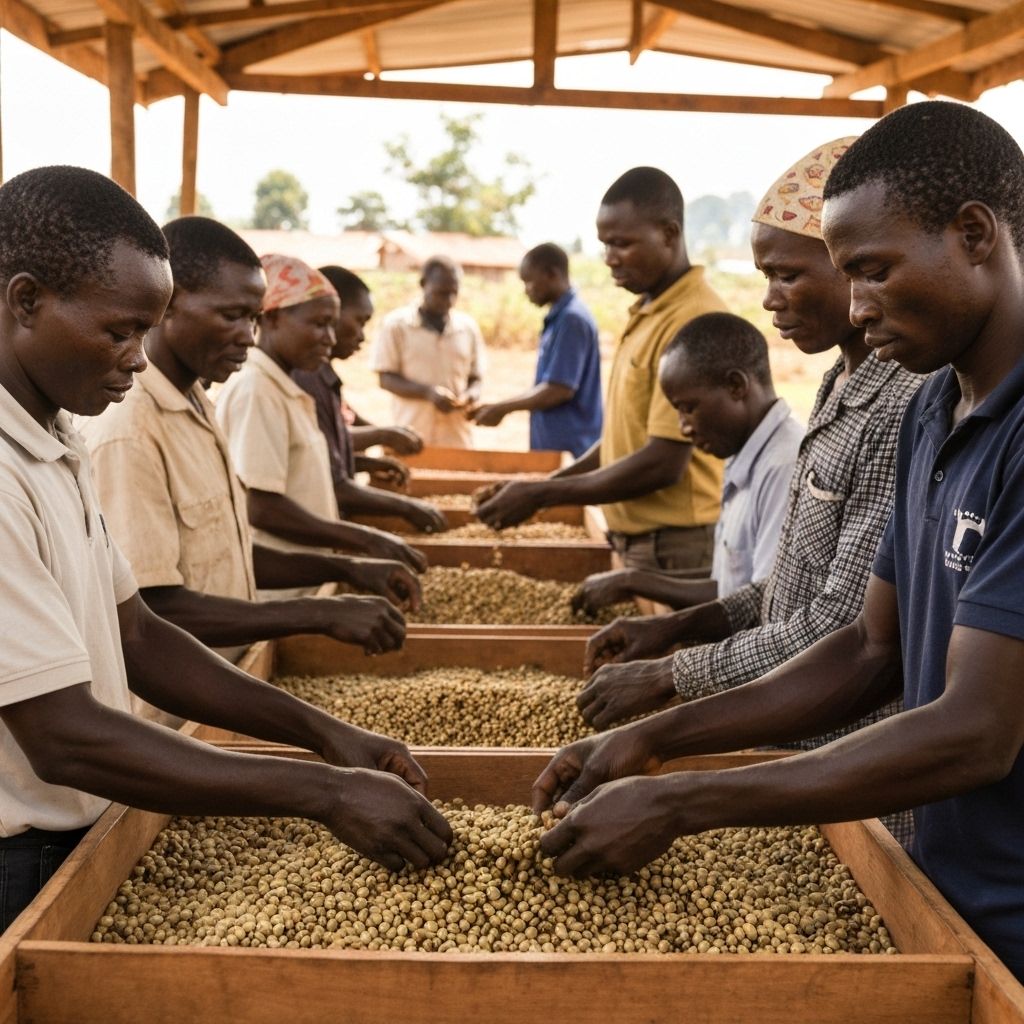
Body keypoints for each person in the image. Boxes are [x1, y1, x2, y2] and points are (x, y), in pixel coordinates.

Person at [532, 100, 1024, 983]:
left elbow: (978, 730)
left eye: (873, 270)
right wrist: (657, 739)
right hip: (938, 887)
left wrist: (683, 800)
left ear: (976, 233)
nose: (861, 307)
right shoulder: (926, 408)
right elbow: (869, 646)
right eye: (849, 275)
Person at [0, 167, 451, 932]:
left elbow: (138, 632)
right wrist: (322, 793)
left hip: (87, 828)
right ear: (25, 301)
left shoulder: (54, 436)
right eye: (120, 331)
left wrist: (325, 733)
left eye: (145, 331)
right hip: (19, 859)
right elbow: (65, 737)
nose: (138, 359)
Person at [574, 140, 921, 793]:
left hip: (839, 763)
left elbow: (839, 627)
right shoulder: (835, 389)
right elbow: (784, 590)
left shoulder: (899, 406)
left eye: (787, 274)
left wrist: (673, 677)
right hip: (783, 743)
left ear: (852, 262)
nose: (770, 300)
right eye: (766, 277)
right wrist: (677, 627)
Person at [81, 219, 419, 668]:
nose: (248, 336)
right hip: (173, 715)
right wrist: (315, 611)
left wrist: (349, 569)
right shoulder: (130, 429)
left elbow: (229, 551)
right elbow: (154, 611)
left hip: (233, 674)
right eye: (231, 316)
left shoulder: (197, 405)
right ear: (168, 302)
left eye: (253, 318)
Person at [477, 168, 725, 575]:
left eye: (622, 244)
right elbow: (619, 443)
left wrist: (542, 496)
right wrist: (545, 485)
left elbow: (663, 462)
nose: (609, 259)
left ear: (668, 233)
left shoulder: (692, 319)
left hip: (678, 546)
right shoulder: (647, 311)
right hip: (643, 541)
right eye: (605, 245)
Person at [214, 254, 428, 585]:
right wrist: (367, 540)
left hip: (303, 580)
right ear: (271, 319)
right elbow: (261, 506)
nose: (329, 338)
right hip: (279, 586)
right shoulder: (256, 389)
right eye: (318, 324)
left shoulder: (285, 387)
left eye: (332, 324)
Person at [573, 312, 803, 615]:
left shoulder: (783, 467)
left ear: (736, 386)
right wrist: (633, 581)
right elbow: (727, 588)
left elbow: (762, 606)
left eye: (688, 408)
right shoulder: (742, 451)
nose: (683, 427)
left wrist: (664, 627)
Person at [291, 265, 446, 534]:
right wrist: (407, 507)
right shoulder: (304, 378)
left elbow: (323, 450)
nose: (362, 336)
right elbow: (327, 475)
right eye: (360, 322)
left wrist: (367, 461)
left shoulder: (321, 375)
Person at [468, 243, 602, 458]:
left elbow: (558, 389)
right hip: (554, 442)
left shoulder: (572, 319)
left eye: (529, 281)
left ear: (552, 274)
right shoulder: (559, 317)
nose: (527, 290)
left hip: (571, 446)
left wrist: (502, 408)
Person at [370, 255, 486, 448]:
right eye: (441, 293)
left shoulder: (468, 328)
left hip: (456, 439)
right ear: (423, 284)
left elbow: (476, 378)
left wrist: (470, 395)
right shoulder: (396, 326)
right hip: (412, 435)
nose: (448, 300)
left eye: (453, 293)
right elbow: (386, 379)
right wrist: (427, 393)